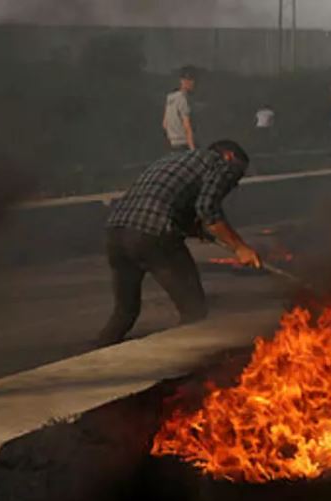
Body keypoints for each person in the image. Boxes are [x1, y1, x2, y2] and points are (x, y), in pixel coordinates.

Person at [96, 140, 261, 347]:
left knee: (124, 312)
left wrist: (196, 229)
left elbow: (167, 199)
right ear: (229, 156)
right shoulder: (219, 163)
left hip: (116, 233)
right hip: (152, 234)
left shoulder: (173, 160)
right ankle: (188, 366)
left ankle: (93, 354)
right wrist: (240, 247)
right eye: (239, 173)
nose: (235, 181)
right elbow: (207, 208)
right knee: (194, 310)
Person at [163, 66, 197, 152]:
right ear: (186, 82)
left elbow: (165, 124)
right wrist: (192, 150)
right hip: (183, 144)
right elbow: (187, 126)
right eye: (192, 80)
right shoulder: (183, 99)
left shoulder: (170, 97)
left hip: (172, 144)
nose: (194, 84)